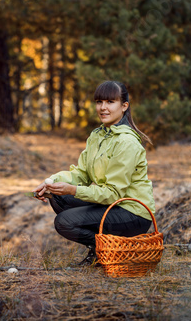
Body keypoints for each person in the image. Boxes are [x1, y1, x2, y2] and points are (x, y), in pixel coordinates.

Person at [32, 80, 155, 266]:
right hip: (113, 205)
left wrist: (73, 190)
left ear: (124, 106)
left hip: (133, 213)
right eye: (99, 102)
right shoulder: (97, 135)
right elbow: (81, 173)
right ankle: (101, 251)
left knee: (64, 222)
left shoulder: (126, 142)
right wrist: (50, 182)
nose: (103, 108)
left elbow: (113, 193)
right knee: (57, 197)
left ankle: (112, 251)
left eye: (110, 102)